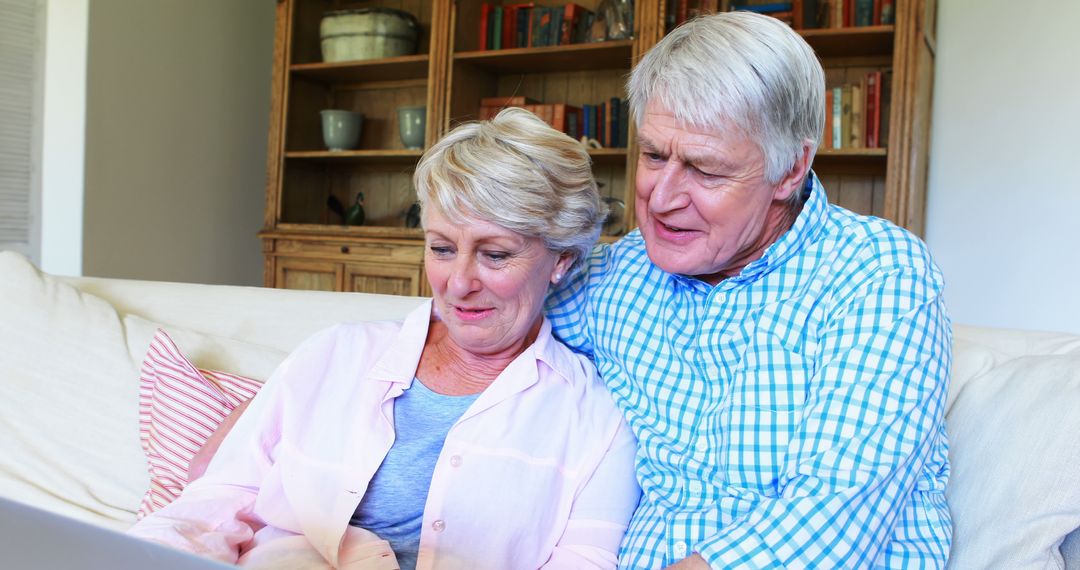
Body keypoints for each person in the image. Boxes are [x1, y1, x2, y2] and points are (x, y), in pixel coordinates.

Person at [129, 108, 641, 569]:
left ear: (562, 260)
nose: (458, 283)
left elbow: (585, 560)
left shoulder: (594, 417)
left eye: (496, 254)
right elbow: (222, 497)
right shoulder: (337, 353)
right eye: (442, 248)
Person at [546, 12, 952, 569]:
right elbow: (487, 320)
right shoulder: (616, 274)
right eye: (654, 155)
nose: (661, 198)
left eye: (705, 170)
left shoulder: (878, 274)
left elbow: (829, 520)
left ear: (791, 169)